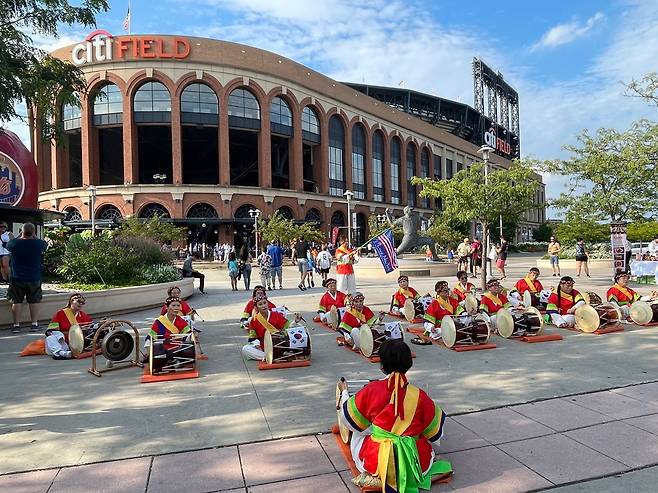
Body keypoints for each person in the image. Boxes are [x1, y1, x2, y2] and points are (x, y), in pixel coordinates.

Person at [338, 339, 452, 490]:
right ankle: (413, 476)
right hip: (415, 463)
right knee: (421, 435)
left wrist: (344, 393)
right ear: (408, 364)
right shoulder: (419, 395)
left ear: (382, 366)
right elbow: (436, 434)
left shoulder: (372, 389)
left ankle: (376, 477)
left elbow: (347, 420)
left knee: (358, 432)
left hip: (377, 462)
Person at [6, 223, 48, 333]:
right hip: (34, 276)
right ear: (33, 232)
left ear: (22, 231)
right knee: (34, 300)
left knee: (16, 301)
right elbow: (45, 244)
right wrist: (34, 236)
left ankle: (16, 325)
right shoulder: (38, 244)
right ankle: (34, 324)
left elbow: (9, 244)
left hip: (17, 277)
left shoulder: (15, 243)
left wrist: (19, 236)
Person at [242, 295, 290, 360]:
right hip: (264, 346)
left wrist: (295, 322)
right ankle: (268, 357)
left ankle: (268, 357)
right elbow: (252, 337)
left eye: (265, 303)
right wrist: (256, 344)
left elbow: (288, 327)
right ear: (256, 307)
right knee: (245, 349)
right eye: (260, 304)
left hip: (279, 344)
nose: (263, 306)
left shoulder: (276, 315)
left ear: (267, 304)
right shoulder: (254, 320)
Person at [147, 297, 193, 363]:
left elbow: (188, 334)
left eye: (178, 305)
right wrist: (150, 352)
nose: (176, 308)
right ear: (167, 307)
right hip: (162, 348)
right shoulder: (159, 321)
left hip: (178, 348)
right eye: (173, 305)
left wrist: (191, 337)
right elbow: (150, 337)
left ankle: (175, 360)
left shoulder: (181, 321)